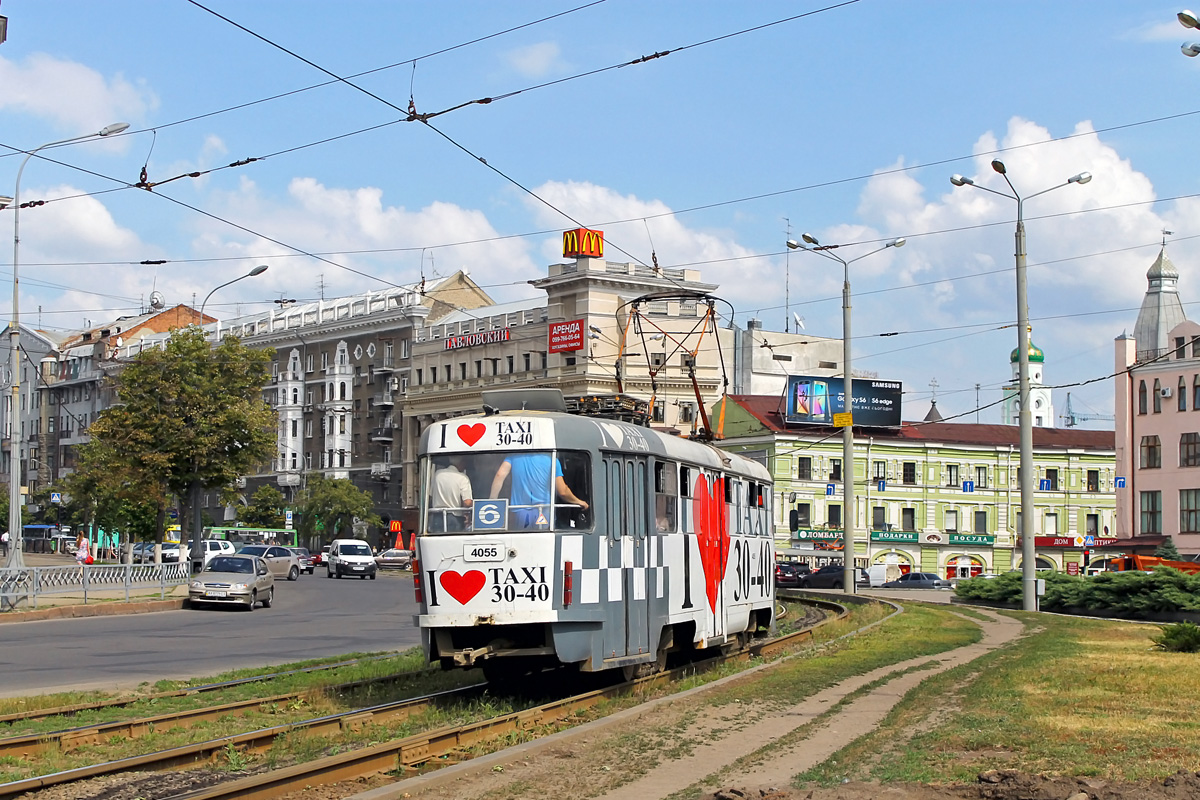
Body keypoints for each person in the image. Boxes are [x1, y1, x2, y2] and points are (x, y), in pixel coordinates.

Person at [489, 452, 588, 529]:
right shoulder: (552, 460)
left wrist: (492, 502)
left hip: (519, 512)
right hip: (544, 511)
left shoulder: (514, 457)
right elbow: (562, 491)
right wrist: (579, 501)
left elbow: (499, 475)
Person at [430, 454, 473, 531]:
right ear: (461, 463)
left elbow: (430, 496)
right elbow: (467, 503)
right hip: (454, 518)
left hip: (437, 517)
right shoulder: (462, 478)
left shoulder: (437, 475)